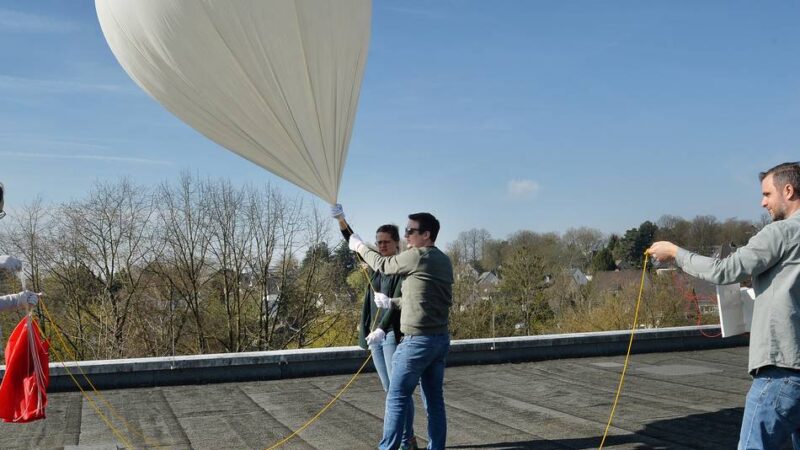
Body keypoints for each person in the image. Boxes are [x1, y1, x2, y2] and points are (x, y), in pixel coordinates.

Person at [648, 161, 800, 450]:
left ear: (789, 191)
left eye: (767, 194)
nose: (762, 202)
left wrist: (676, 254)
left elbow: (725, 270)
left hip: (781, 373)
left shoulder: (779, 233)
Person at [346, 210, 453, 450]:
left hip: (417, 342)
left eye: (410, 231)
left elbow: (383, 265)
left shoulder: (416, 256)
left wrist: (360, 247)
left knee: (396, 397)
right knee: (434, 402)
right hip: (440, 340)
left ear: (426, 235)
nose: (406, 235)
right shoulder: (444, 260)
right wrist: (392, 302)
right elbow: (425, 300)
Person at [332, 205, 419, 450]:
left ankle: (405, 439)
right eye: (378, 242)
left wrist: (381, 328)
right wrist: (341, 219)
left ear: (396, 244)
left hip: (390, 333)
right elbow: (352, 240)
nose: (381, 246)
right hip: (375, 336)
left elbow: (395, 305)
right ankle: (408, 437)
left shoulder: (401, 269)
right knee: (388, 388)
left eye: (385, 242)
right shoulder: (376, 265)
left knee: (397, 389)